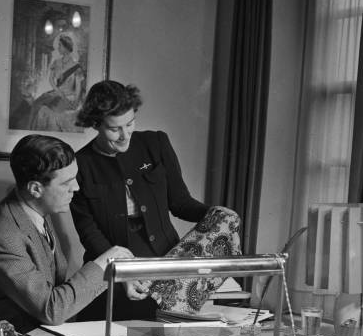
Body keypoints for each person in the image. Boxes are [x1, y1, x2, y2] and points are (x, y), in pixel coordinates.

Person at [70, 80, 240, 320]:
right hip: (114, 272)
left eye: (130, 124)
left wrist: (216, 214)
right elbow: (89, 233)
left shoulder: (155, 143)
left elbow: (181, 203)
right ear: (96, 124)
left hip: (165, 263)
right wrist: (121, 274)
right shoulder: (81, 164)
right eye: (114, 128)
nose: (124, 135)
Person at [0, 134, 132, 333]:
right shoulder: (5, 237)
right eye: (66, 183)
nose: (77, 187)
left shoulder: (35, 209)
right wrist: (104, 265)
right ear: (35, 188)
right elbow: (51, 309)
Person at [29, 34, 85, 132]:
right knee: (37, 104)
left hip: (70, 95)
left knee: (52, 112)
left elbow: (78, 87)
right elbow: (51, 79)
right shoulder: (56, 62)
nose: (58, 48)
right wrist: (58, 91)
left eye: (60, 45)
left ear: (66, 47)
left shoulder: (76, 66)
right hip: (56, 92)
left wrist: (75, 102)